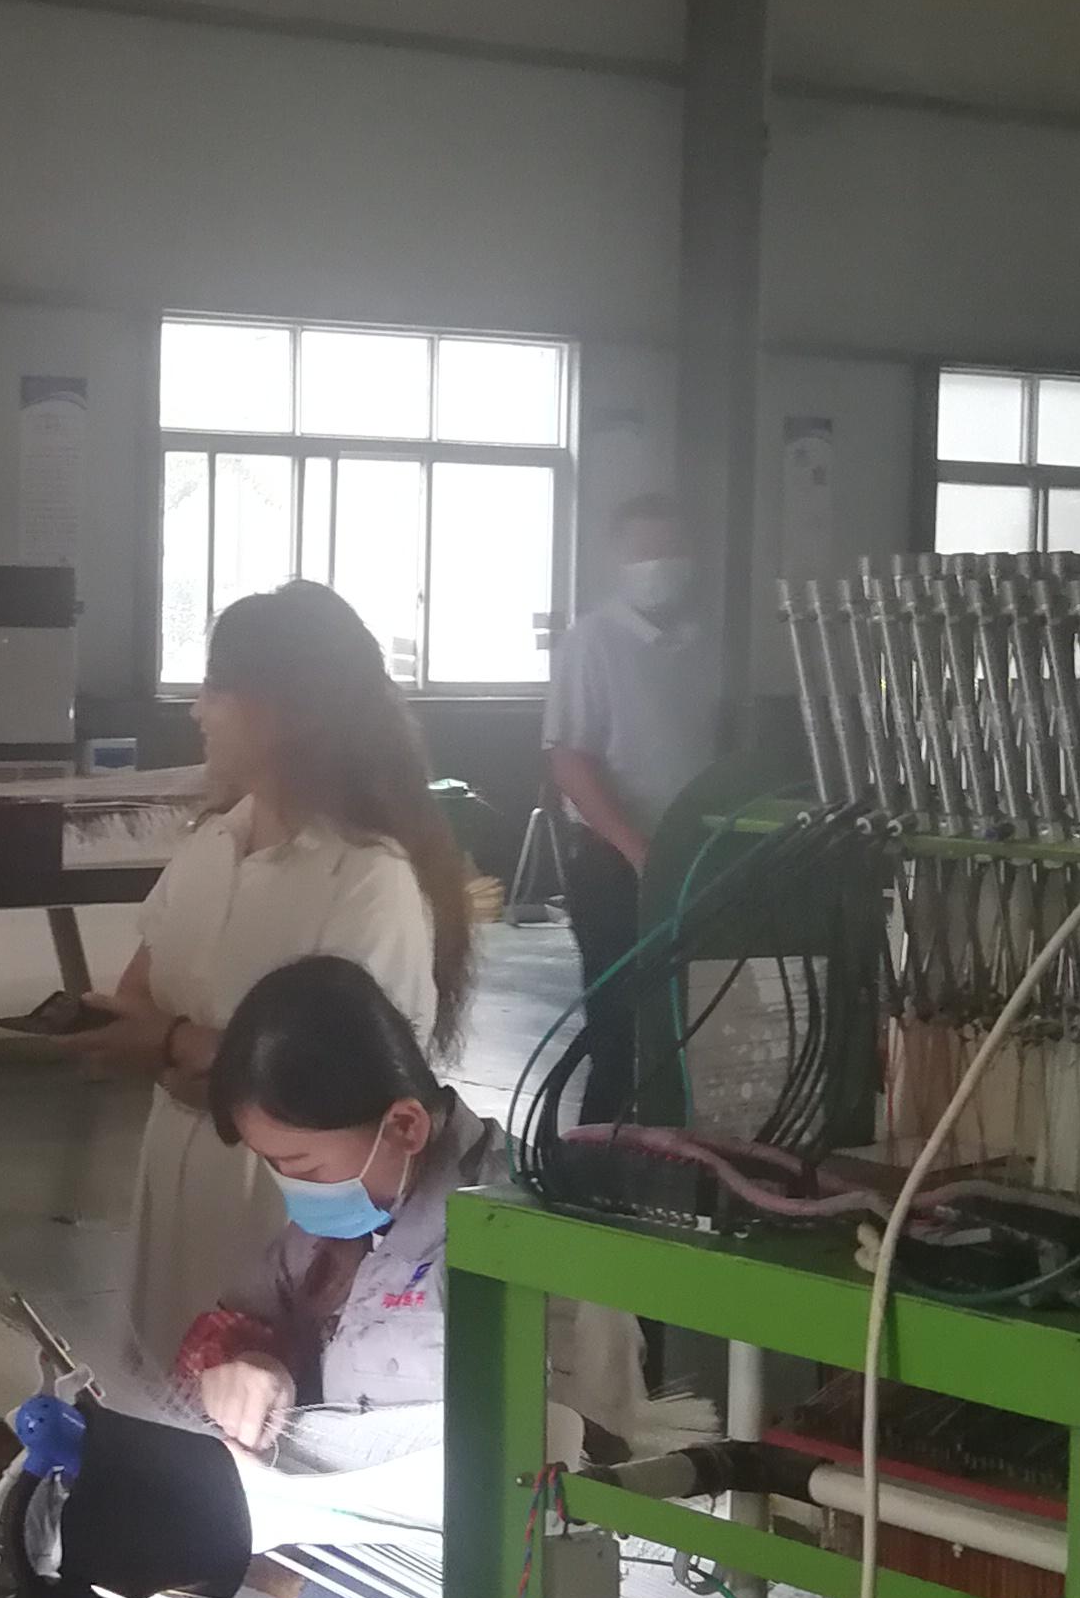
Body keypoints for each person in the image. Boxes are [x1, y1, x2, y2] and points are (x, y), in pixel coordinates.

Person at [78, 581, 475, 1412]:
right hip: (180, 1171)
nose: (198, 711)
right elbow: (136, 997)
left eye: (217, 689)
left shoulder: (365, 879)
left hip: (279, 1199)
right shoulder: (210, 847)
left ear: (284, 710)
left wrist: (177, 1045)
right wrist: (187, 1052)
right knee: (166, 1387)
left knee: (257, 1399)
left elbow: (346, 1086)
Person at [170, 953, 506, 1475]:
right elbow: (240, 1322)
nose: (294, 1190)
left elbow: (582, 1440)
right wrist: (254, 1367)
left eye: (303, 1167)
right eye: (274, 1166)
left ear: (404, 1127)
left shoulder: (521, 1230)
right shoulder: (333, 1232)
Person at [541, 494, 719, 1124]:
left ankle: (677, 1154)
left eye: (670, 550)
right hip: (614, 862)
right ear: (618, 557)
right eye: (645, 551)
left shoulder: (702, 644)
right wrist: (637, 850)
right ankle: (594, 1159)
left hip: (691, 857)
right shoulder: (592, 641)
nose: (658, 565)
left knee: (689, 1023)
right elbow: (570, 760)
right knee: (618, 1028)